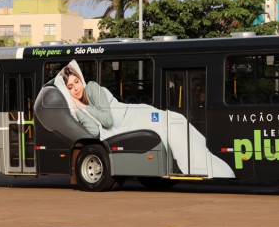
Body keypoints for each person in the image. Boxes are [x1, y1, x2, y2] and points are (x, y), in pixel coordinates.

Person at [53, 60, 235, 178]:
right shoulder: (79, 110)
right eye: (70, 87)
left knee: (177, 125)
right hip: (134, 124)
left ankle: (219, 173)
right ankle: (221, 173)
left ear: (81, 79)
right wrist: (78, 109)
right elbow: (93, 131)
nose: (76, 88)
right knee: (178, 126)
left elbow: (107, 120)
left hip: (136, 117)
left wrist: (83, 107)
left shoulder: (91, 88)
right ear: (66, 92)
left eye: (76, 82)